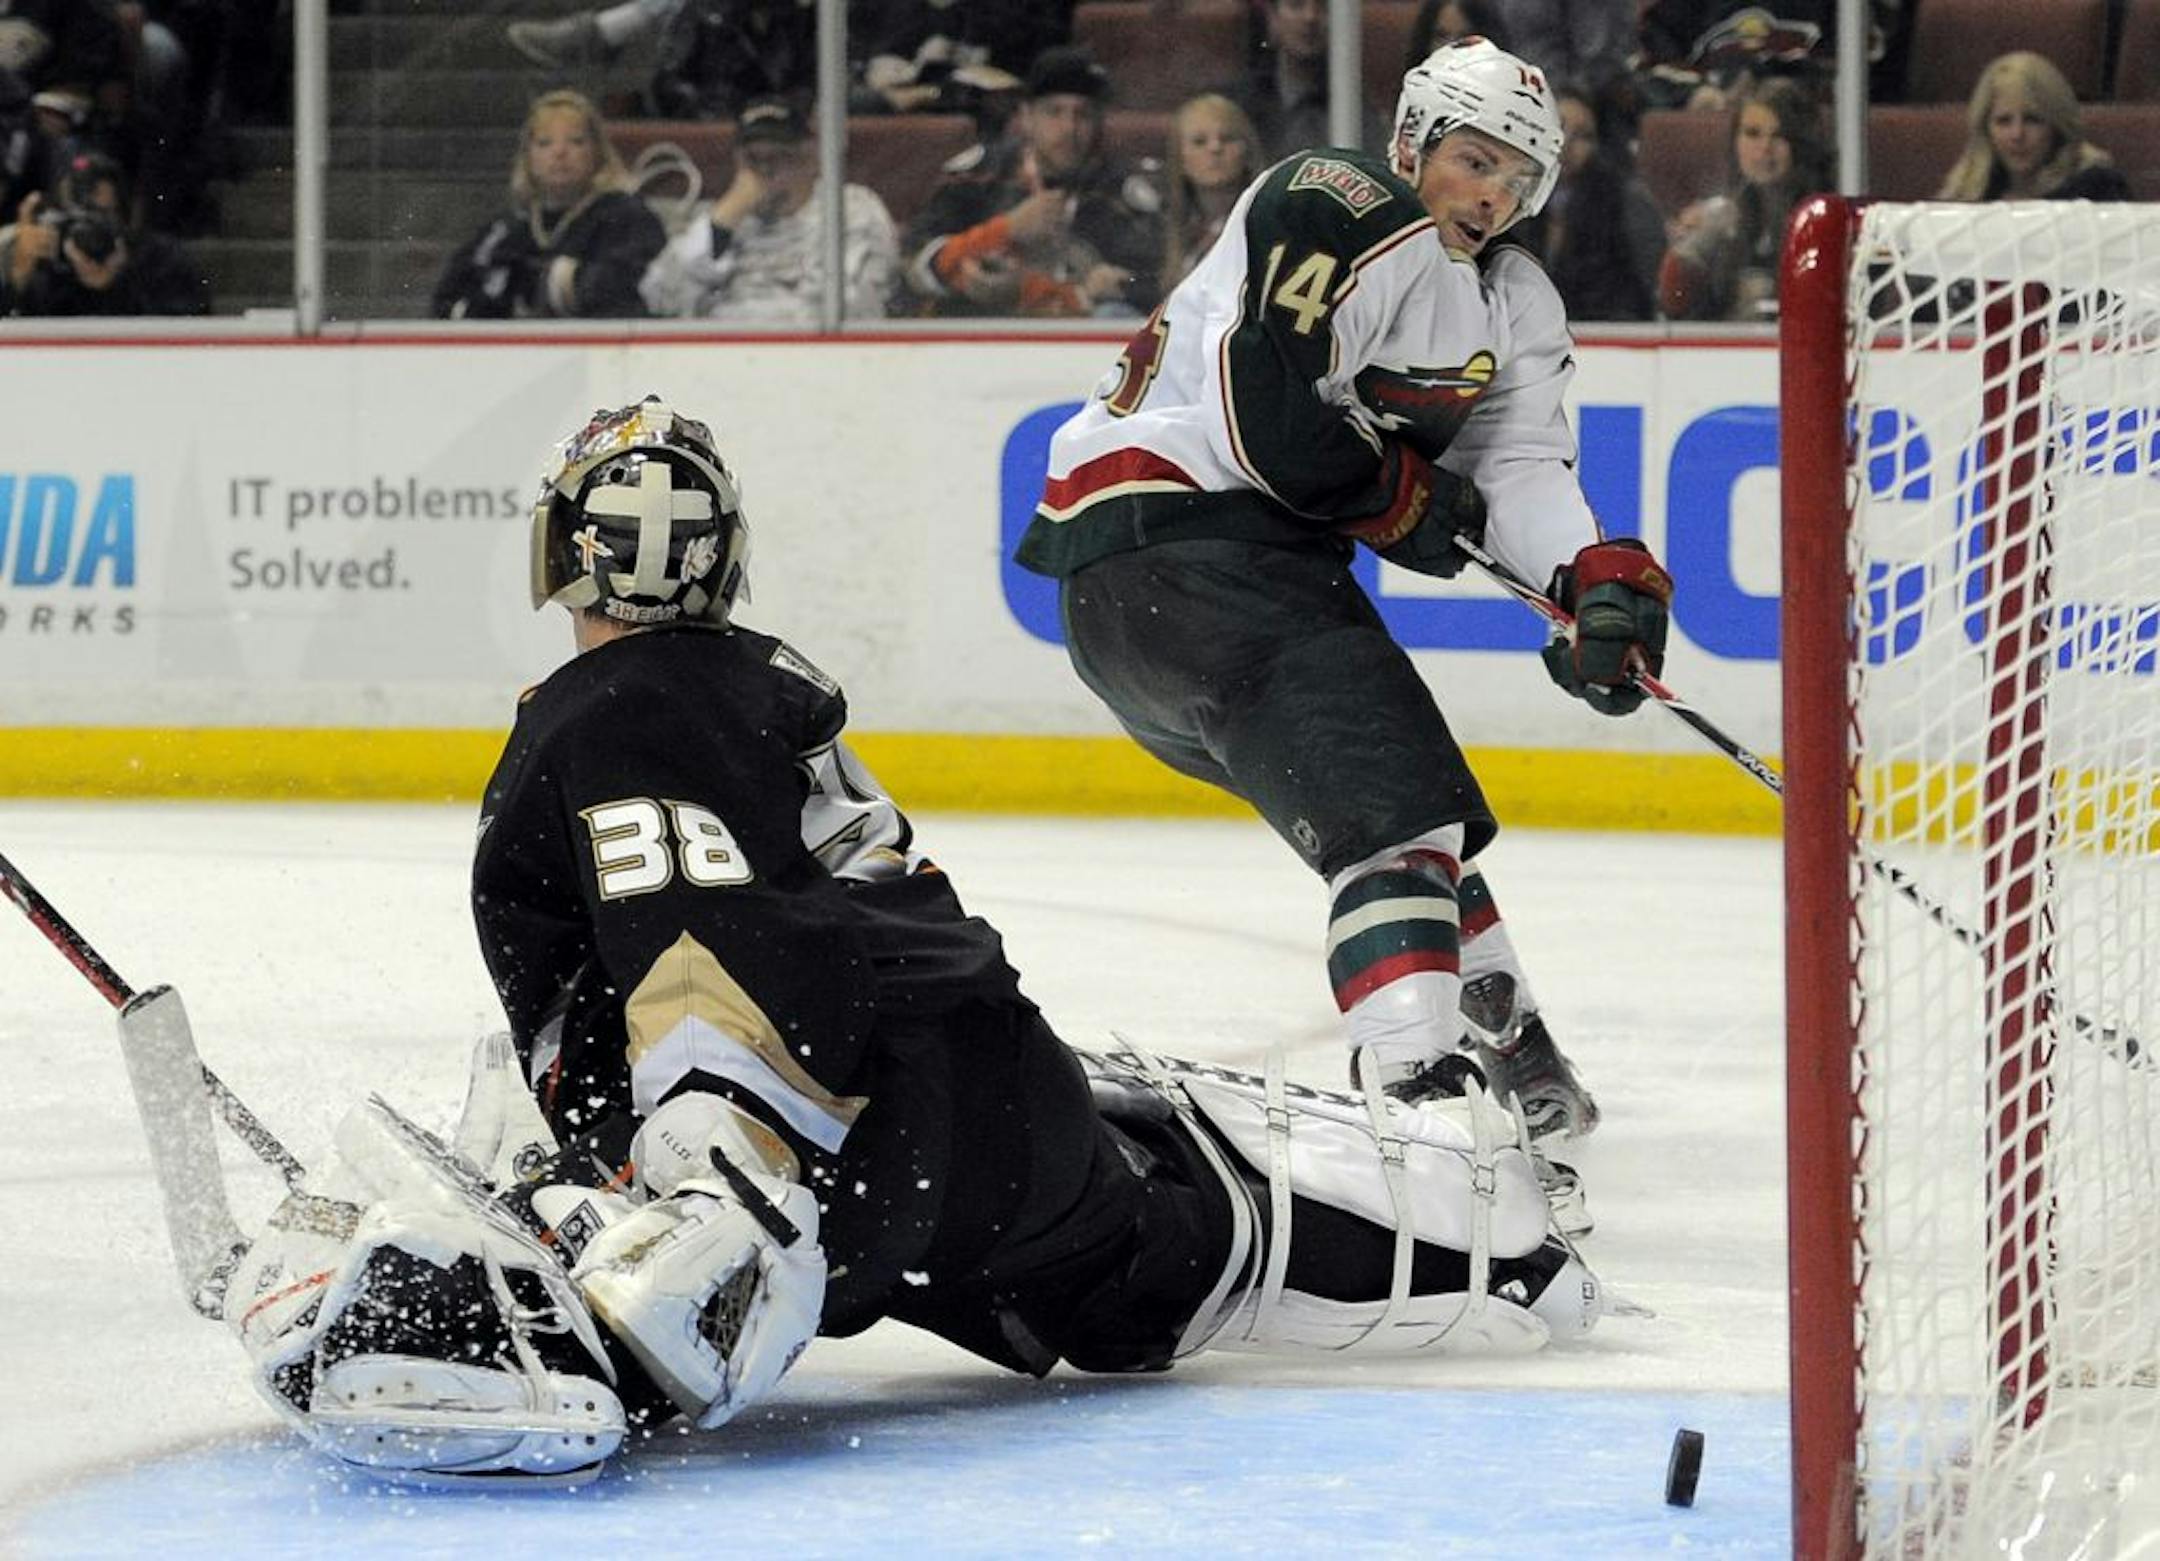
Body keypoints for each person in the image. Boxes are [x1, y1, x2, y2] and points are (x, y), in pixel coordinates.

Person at [216, 396, 1604, 1485]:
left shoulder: (607, 714)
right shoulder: (755, 685)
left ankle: (685, 1225)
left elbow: (716, 940)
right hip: (1009, 1100)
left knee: (710, 1254)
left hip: (856, 1143)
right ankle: (1491, 1238)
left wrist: (717, 1171)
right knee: (1139, 1257)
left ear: (556, 552)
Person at [1014, 38, 1674, 1157]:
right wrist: (1400, 494)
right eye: (1472, 159)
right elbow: (1260, 416)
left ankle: (1509, 1046)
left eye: (1516, 177)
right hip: (1190, 546)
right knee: (1397, 822)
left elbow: (1517, 471)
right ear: (1412, 142)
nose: (1490, 192)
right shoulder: (1343, 197)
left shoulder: (1512, 299)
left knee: (1396, 811)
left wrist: (1587, 581)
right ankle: (1420, 1112)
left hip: (1166, 593)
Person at [901, 44, 1160, 319]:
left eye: (1082, 114)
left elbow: (1157, 282)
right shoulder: (977, 176)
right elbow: (912, 265)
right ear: (1026, 117)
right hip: (981, 337)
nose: (1068, 129)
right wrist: (1004, 230)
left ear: (1099, 121)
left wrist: (1119, 285)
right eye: (1053, 112)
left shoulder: (1123, 190)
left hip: (1084, 348)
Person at [638, 96, 897, 324]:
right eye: (752, 159)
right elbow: (659, 299)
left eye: (779, 157)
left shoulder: (851, 209)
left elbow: (851, 308)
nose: (765, 171)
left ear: (810, 158)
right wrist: (720, 226)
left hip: (816, 356)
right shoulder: (717, 221)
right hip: (720, 358)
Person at [432, 88, 665, 321]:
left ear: (597, 152)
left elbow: (634, 290)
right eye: (545, 143)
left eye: (576, 141)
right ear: (528, 156)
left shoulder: (627, 217)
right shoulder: (505, 229)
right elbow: (446, 302)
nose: (560, 153)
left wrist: (547, 283)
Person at [1657, 75, 1828, 321]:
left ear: (1803, 143)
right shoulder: (1723, 216)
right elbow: (1673, 296)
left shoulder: (1824, 216)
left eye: (1779, 136)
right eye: (1752, 133)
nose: (1764, 148)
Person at [0, 147, 207, 315]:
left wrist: (117, 282)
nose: (89, 226)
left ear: (128, 215)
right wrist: (18, 278)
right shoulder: (49, 262)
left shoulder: (163, 261)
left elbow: (192, 330)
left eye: (102, 215)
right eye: (77, 216)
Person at [1532, 81, 1663, 321]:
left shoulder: (1620, 203)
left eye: (1582, 136)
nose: (1566, 144)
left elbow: (1629, 298)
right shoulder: (1504, 198)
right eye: (1558, 127)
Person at [1936, 51, 2129, 204]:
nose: (2017, 134)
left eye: (2032, 120)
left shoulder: (2098, 191)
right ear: (1985, 129)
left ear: (2057, 123)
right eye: (2003, 121)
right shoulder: (1966, 195)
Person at [1159, 92, 1258, 291]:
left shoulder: (1264, 223)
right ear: (1179, 158)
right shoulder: (1160, 226)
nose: (1215, 148)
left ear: (1247, 151)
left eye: (1227, 138)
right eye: (1199, 141)